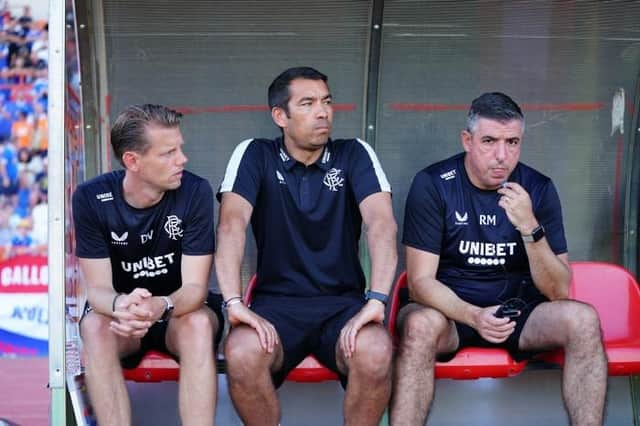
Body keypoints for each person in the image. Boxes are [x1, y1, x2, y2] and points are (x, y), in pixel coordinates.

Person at [391, 92, 607, 425]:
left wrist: (529, 227)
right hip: (450, 313)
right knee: (419, 324)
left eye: (512, 142)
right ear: (467, 140)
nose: (501, 156)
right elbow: (420, 284)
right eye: (489, 141)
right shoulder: (433, 184)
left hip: (517, 313)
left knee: (583, 320)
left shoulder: (537, 188)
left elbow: (559, 291)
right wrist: (474, 315)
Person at [216, 66, 397, 425]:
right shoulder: (255, 154)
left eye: (327, 102)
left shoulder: (354, 154)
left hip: (343, 305)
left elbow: (382, 223)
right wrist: (233, 302)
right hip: (276, 306)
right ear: (280, 116)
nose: (323, 112)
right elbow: (230, 225)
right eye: (308, 103)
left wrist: (376, 299)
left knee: (376, 351)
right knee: (241, 353)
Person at [72, 104, 223, 426]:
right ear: (133, 161)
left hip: (178, 311)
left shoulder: (195, 191)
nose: (182, 159)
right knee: (93, 327)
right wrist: (121, 304)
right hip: (123, 319)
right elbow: (97, 289)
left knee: (197, 325)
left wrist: (161, 304)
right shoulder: (90, 197)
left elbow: (195, 288)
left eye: (180, 148)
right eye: (169, 153)